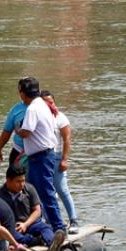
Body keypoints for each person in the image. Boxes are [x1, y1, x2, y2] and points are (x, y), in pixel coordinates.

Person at [15, 76, 66, 246]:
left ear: (23, 93)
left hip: (41, 157)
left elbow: (26, 132)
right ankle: (39, 226)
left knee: (45, 192)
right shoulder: (43, 105)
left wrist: (18, 129)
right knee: (31, 193)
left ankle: (59, 228)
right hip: (42, 155)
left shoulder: (32, 109)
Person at [41, 90, 78, 229]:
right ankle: (50, 222)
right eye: (46, 103)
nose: (50, 105)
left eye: (51, 102)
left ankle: (73, 220)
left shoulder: (60, 117)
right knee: (44, 191)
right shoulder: (38, 117)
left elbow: (67, 139)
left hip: (56, 157)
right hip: (42, 158)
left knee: (62, 189)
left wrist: (64, 159)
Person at [0, 165, 55, 250]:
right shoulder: (0, 195)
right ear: (8, 180)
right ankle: (36, 241)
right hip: (14, 228)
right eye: (18, 181)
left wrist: (25, 224)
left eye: (23, 181)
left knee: (45, 228)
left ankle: (52, 243)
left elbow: (37, 211)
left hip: (31, 224)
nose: (21, 184)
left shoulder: (29, 189)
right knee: (12, 235)